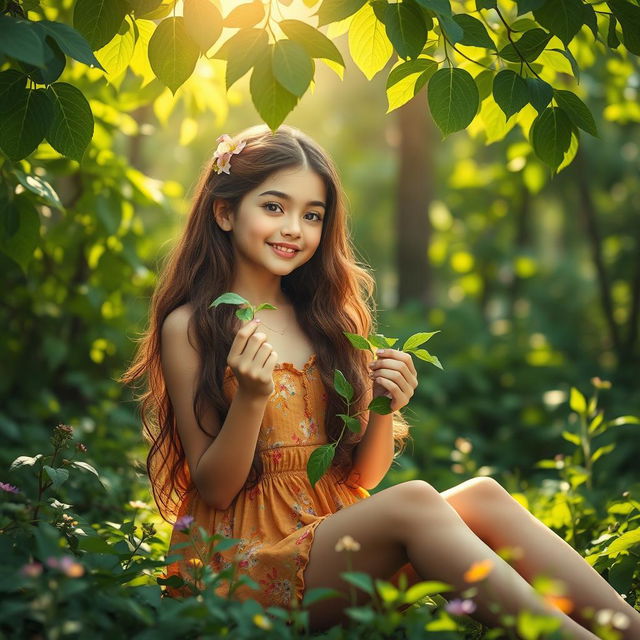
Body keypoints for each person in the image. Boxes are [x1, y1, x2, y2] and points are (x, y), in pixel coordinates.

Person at [120, 124, 640, 638]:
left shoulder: (327, 320)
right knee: (415, 502)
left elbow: (361, 475)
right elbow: (213, 487)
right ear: (225, 211)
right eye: (274, 207)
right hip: (243, 565)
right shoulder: (193, 325)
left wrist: (386, 407)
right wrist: (251, 397)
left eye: (312, 215)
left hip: (334, 537)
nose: (293, 228)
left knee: (481, 494)